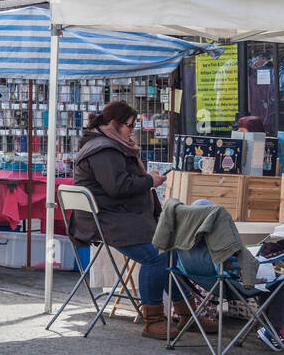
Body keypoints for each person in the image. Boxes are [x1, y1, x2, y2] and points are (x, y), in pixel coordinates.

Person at [69, 101, 215, 338]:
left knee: (170, 249)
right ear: (114, 124)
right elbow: (118, 187)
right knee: (157, 256)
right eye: (130, 126)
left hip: (117, 216)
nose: (133, 130)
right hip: (108, 220)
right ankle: (153, 320)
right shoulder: (104, 149)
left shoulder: (106, 144)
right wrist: (150, 181)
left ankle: (188, 313)